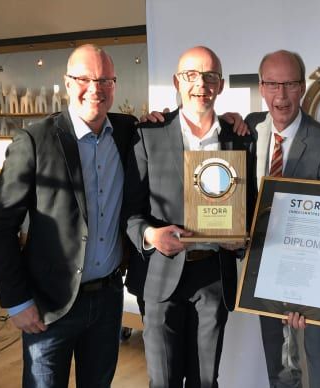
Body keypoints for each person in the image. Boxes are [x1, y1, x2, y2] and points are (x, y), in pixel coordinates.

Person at [0, 44, 136, 387]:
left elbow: (172, 132)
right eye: (84, 78)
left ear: (115, 84)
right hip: (48, 306)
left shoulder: (128, 133)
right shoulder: (35, 140)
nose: (95, 88)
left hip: (108, 299)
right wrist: (16, 301)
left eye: (105, 80)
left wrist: (228, 119)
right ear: (67, 82)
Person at [123, 46, 257, 388]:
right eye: (191, 75)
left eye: (210, 76)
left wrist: (241, 238)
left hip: (213, 276)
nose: (201, 84)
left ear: (221, 84)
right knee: (163, 382)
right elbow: (129, 211)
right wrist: (151, 236)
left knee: (205, 381)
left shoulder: (239, 139)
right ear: (176, 82)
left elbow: (250, 206)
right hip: (159, 278)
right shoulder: (147, 134)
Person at [247, 49, 320, 388]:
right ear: (261, 86)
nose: (281, 95)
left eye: (289, 84)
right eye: (272, 84)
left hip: (312, 279)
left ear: (302, 87)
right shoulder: (247, 133)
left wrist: (307, 291)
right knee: (280, 366)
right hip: (262, 272)